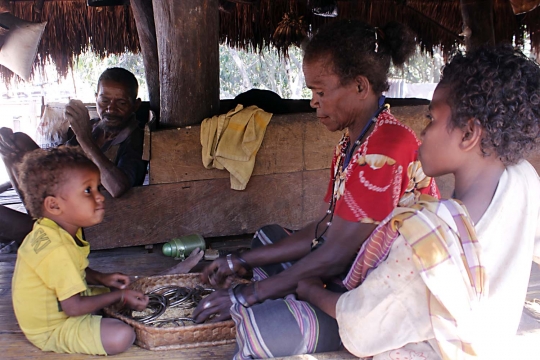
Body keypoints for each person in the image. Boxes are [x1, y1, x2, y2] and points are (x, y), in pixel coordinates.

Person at [192, 20, 440, 358]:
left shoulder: (387, 147)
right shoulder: (352, 142)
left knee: (256, 331)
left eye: (320, 92)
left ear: (360, 86)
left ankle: (300, 300)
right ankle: (293, 288)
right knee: (268, 237)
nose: (313, 102)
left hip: (379, 298)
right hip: (348, 268)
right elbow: (324, 227)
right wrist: (239, 260)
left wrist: (247, 295)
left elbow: (335, 252)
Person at [296, 45, 540, 359]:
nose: (423, 133)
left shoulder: (429, 237)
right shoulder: (524, 181)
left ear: (468, 135)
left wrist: (311, 290)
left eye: (432, 119)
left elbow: (361, 326)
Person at [11, 146, 149, 355]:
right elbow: (73, 308)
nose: (100, 197)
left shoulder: (52, 229)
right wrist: (119, 298)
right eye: (88, 190)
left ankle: (106, 305)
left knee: (119, 291)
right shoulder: (56, 249)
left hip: (62, 305)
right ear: (54, 206)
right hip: (53, 327)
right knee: (122, 336)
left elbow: (69, 271)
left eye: (98, 188)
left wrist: (102, 278)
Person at [0, 67, 148, 245]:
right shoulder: (95, 127)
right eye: (105, 100)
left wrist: (84, 138)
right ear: (96, 98)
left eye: (121, 103)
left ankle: (49, 234)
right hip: (62, 204)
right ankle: (39, 221)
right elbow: (60, 160)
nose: (110, 109)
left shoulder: (134, 139)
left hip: (84, 224)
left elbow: (118, 188)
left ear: (135, 104)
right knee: (16, 142)